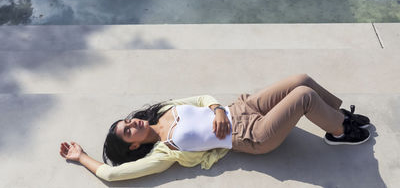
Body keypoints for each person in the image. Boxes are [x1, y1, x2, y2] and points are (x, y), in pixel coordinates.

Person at [59, 74, 370, 182]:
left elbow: (201, 97)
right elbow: (112, 174)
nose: (133, 123)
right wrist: (81, 156)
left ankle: (336, 114)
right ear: (134, 146)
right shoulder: (165, 152)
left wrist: (218, 108)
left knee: (301, 79)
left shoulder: (165, 110)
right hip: (252, 136)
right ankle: (341, 132)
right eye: (129, 131)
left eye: (127, 121)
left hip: (242, 108)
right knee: (303, 97)